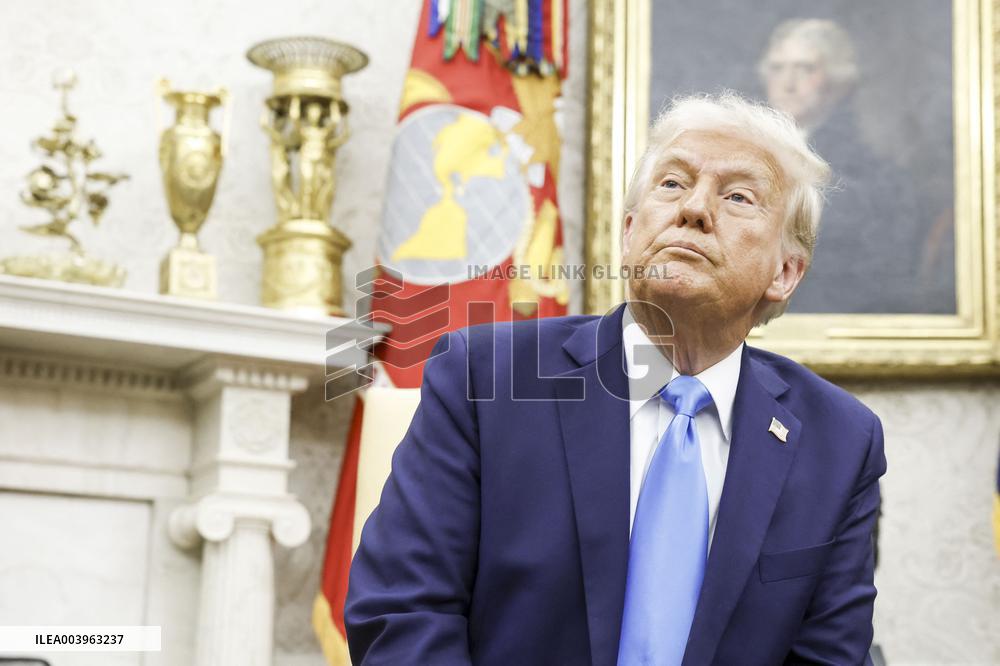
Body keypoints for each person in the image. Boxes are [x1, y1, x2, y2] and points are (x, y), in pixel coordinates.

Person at [345, 92, 886, 665]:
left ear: (785, 272)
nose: (694, 209)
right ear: (629, 234)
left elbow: (829, 657)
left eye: (738, 196)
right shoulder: (487, 380)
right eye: (672, 185)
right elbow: (400, 613)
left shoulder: (841, 442)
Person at [758, 18, 928, 313]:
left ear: (836, 82)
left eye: (806, 69)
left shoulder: (870, 171)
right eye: (778, 68)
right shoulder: (749, 150)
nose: (788, 82)